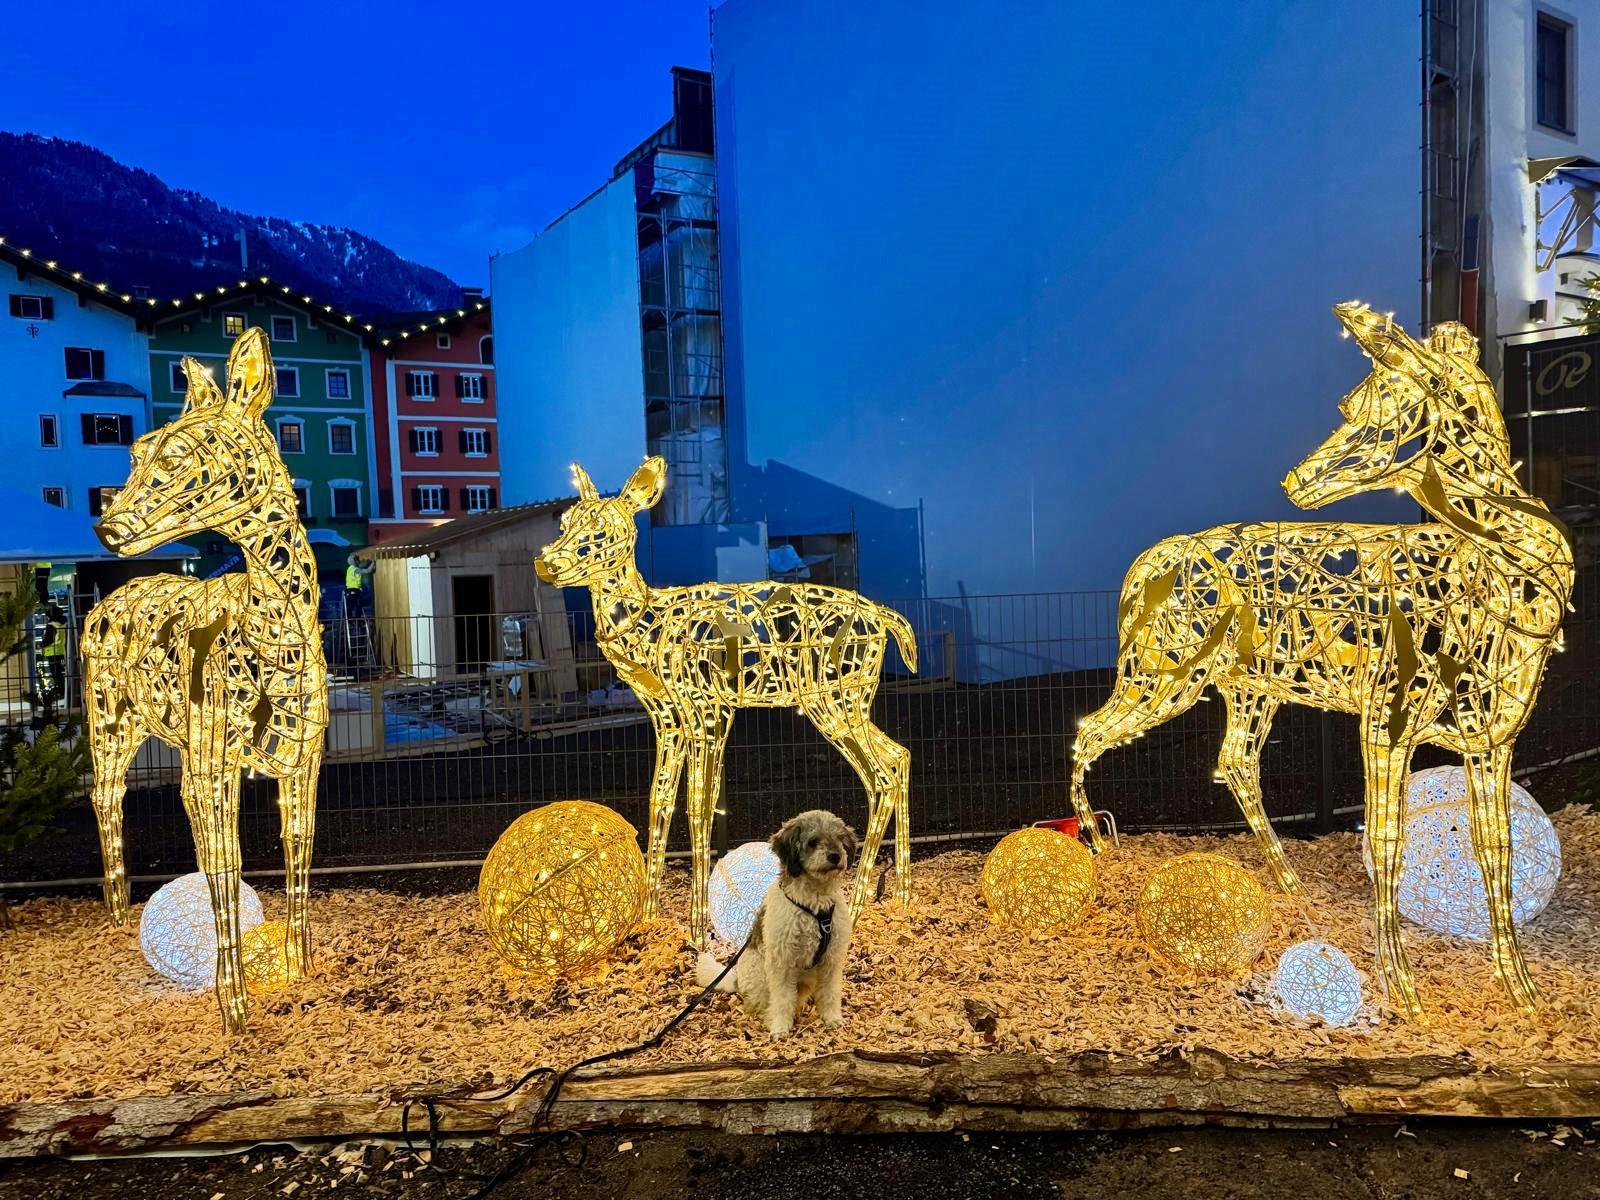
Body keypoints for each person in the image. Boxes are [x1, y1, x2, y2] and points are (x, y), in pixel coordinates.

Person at [344, 553, 374, 620]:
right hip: (354, 590)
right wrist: (373, 562)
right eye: (357, 559)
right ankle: (358, 621)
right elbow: (367, 571)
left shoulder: (350, 568)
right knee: (358, 606)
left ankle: (350, 621)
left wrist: (368, 562)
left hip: (349, 591)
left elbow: (362, 567)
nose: (359, 560)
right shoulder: (355, 569)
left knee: (350, 607)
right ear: (354, 561)